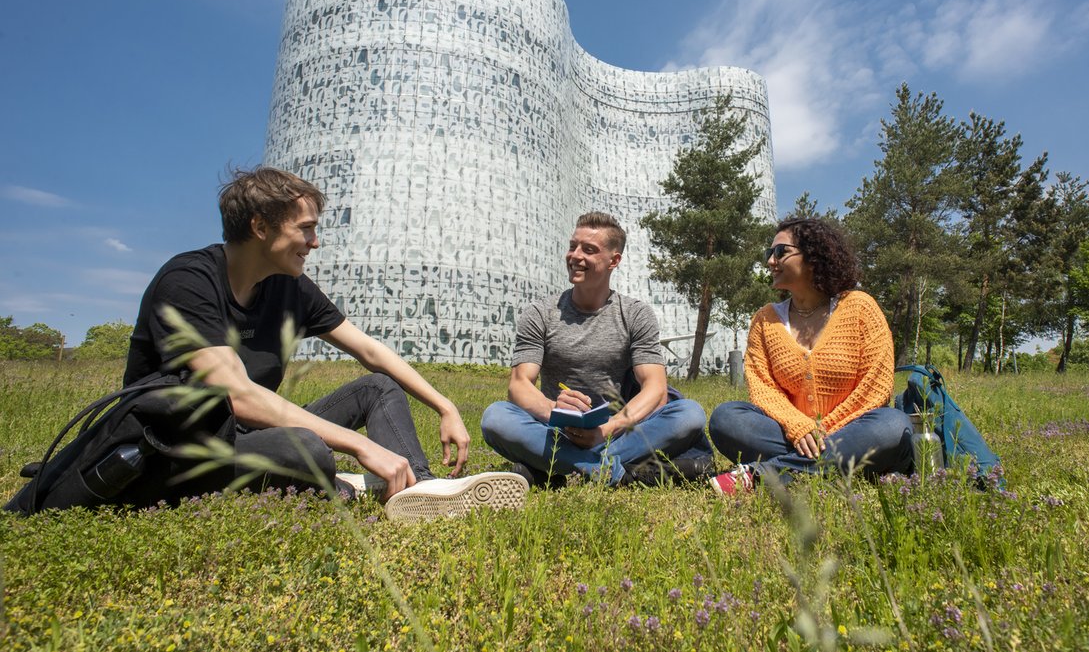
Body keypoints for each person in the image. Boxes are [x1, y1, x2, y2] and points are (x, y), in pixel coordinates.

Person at [123, 167, 526, 520]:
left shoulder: (288, 287)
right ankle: (342, 484)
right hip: (180, 447)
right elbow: (236, 395)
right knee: (305, 448)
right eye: (306, 228)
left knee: (377, 387)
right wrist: (360, 445)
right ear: (261, 227)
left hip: (252, 433)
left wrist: (445, 405)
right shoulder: (188, 281)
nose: (315, 242)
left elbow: (370, 352)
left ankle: (419, 489)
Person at [480, 212, 713, 486]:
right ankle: (616, 474)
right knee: (495, 417)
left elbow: (655, 389)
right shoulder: (540, 313)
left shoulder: (636, 314)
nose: (575, 256)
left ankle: (557, 469)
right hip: (554, 429)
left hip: (614, 430)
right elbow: (519, 384)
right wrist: (552, 407)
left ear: (613, 261)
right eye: (572, 246)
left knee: (689, 413)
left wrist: (607, 430)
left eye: (588, 250)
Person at [707, 217, 913, 494]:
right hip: (795, 434)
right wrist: (799, 427)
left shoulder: (860, 308)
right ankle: (837, 466)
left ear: (815, 256)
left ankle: (764, 476)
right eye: (769, 254)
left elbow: (875, 389)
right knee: (726, 418)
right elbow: (763, 388)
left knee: (892, 424)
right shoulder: (765, 320)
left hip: (856, 428)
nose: (771, 261)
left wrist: (821, 432)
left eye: (780, 252)